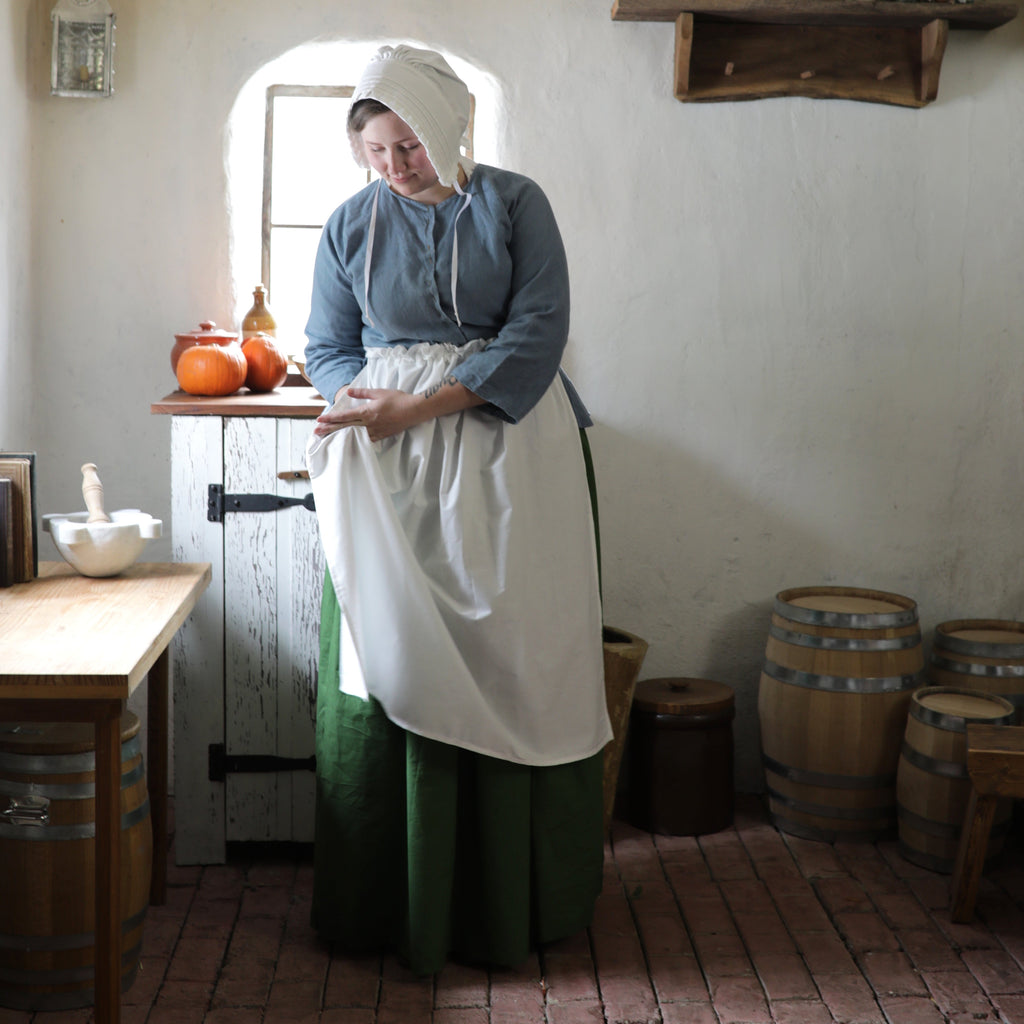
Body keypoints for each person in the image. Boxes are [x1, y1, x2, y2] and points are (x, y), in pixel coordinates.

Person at [303, 44, 612, 975]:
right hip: (387, 463)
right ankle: (390, 895)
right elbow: (327, 344)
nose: (396, 167)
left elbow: (537, 331)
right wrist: (360, 408)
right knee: (387, 649)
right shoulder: (349, 225)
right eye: (377, 152)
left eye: (410, 145)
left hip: (510, 450)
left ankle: (506, 896)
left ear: (448, 124)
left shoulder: (517, 204)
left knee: (515, 649)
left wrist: (425, 405)